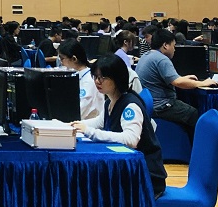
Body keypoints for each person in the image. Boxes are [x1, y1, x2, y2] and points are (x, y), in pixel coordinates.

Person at [72, 55, 167, 196]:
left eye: (102, 77)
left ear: (117, 78)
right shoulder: (110, 102)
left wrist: (89, 131)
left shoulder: (130, 105)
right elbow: (99, 122)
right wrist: (72, 125)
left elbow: (131, 140)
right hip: (127, 168)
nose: (97, 81)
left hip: (146, 175)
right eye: (95, 77)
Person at [135, 28, 218, 139]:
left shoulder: (146, 55)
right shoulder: (162, 59)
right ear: (165, 45)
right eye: (173, 46)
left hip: (150, 104)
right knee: (194, 114)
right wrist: (202, 83)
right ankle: (197, 145)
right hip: (161, 106)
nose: (175, 49)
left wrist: (183, 78)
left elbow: (172, 78)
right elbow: (178, 82)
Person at [58, 39, 103, 120]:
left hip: (86, 124)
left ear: (74, 59)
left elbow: (79, 112)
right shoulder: (76, 75)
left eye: (62, 59)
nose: (61, 62)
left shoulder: (89, 81)